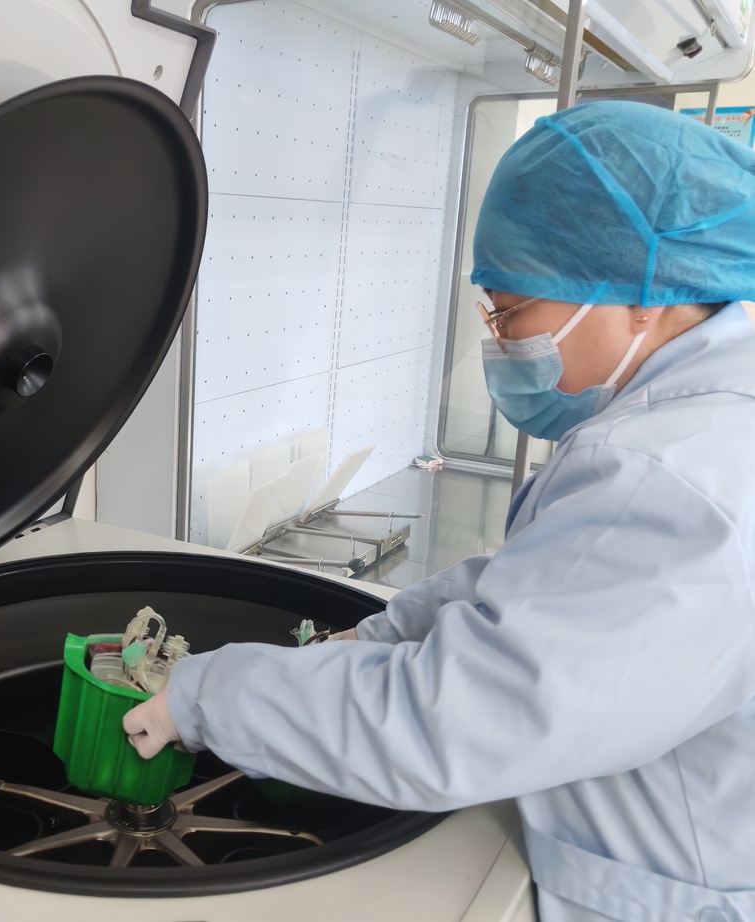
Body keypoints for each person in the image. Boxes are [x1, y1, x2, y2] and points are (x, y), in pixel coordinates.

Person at [124, 100, 755, 922]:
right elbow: (550, 587)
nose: (501, 339)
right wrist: (380, 634)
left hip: (662, 889)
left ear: (637, 293)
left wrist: (204, 695)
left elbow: (457, 722)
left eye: (511, 309)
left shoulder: (664, 475)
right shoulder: (700, 416)